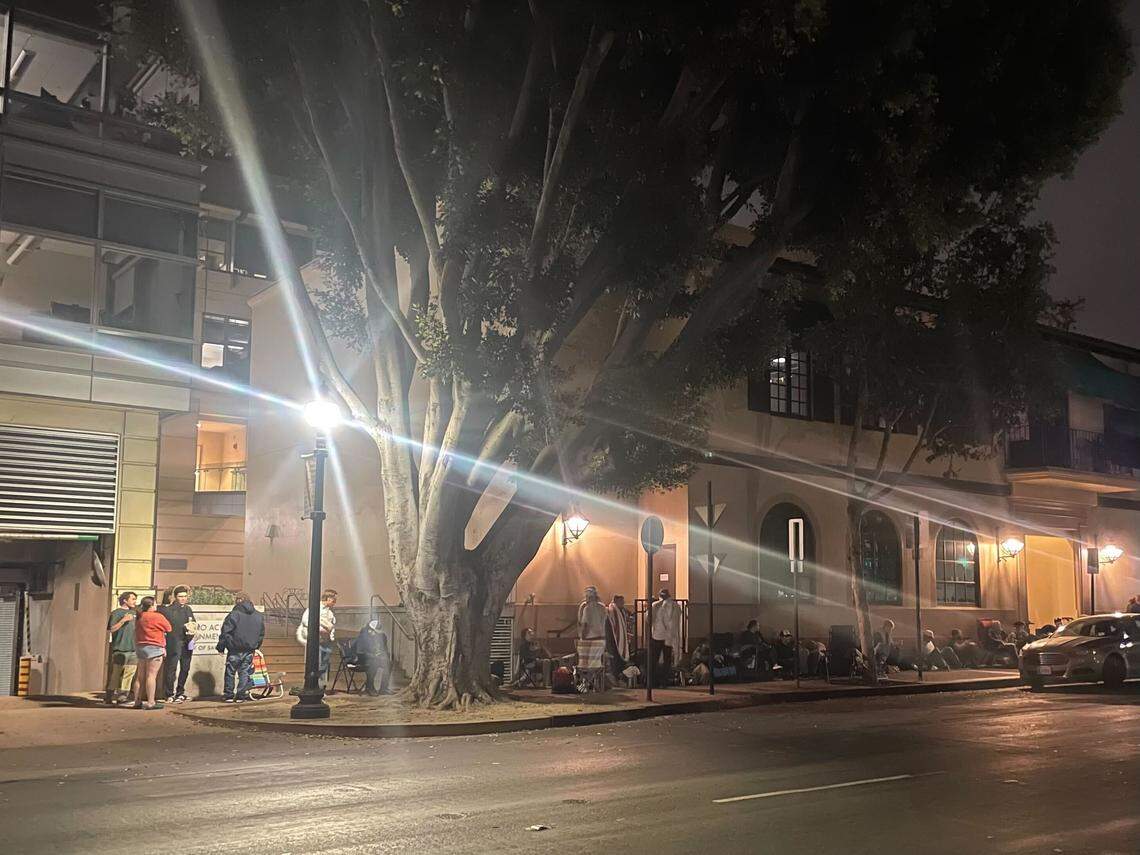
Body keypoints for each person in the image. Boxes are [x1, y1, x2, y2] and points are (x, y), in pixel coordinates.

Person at [216, 593, 265, 703]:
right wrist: (256, 646)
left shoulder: (234, 614)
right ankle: (241, 695)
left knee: (230, 672)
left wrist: (221, 647)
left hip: (235, 649)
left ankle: (229, 695)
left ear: (239, 600)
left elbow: (225, 632)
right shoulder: (258, 616)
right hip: (249, 649)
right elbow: (261, 634)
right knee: (244, 672)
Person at [131, 596, 171, 710]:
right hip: (155, 646)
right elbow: (168, 628)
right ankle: (151, 702)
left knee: (140, 676)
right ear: (151, 605)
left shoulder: (140, 616)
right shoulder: (158, 616)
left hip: (141, 646)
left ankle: (137, 701)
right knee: (151, 675)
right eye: (155, 603)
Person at [160, 585, 196, 703]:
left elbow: (193, 623)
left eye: (185, 596)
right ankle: (169, 693)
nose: (183, 598)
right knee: (171, 668)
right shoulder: (168, 610)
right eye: (180, 596)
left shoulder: (188, 609)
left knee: (185, 668)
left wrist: (192, 629)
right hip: (173, 642)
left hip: (187, 642)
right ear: (175, 597)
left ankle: (180, 692)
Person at [297, 589, 337, 689]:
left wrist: (331, 634)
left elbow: (332, 625)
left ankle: (321, 685)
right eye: (334, 600)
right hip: (316, 640)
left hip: (326, 640)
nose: (335, 602)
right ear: (328, 599)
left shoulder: (330, 612)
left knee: (325, 663)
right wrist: (319, 629)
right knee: (316, 663)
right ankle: (314, 684)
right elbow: (305, 621)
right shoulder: (314, 608)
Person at [104, 591, 138, 705]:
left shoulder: (135, 613)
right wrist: (123, 620)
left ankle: (122, 697)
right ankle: (109, 696)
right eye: (132, 599)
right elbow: (112, 629)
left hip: (133, 649)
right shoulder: (116, 613)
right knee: (116, 674)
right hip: (120, 649)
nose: (134, 601)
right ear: (125, 600)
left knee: (129, 675)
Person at [650, 588, 682, 687]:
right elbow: (676, 622)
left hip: (657, 635)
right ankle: (664, 682)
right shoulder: (675, 606)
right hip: (669, 637)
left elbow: (650, 619)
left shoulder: (655, 605)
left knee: (654, 659)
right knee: (667, 660)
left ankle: (653, 682)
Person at [352, 619, 391, 695]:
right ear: (370, 630)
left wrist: (383, 656)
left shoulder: (381, 636)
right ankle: (370, 687)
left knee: (388, 664)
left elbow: (384, 649)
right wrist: (373, 656)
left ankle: (384, 688)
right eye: (374, 632)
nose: (375, 634)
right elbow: (360, 652)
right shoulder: (363, 637)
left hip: (376, 658)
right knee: (373, 663)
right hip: (363, 659)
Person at [604, 595, 631, 681]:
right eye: (621, 602)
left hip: (619, 639)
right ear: (617, 602)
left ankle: (620, 676)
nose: (623, 603)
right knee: (614, 659)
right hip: (612, 639)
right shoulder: (611, 611)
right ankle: (615, 676)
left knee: (619, 660)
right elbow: (610, 627)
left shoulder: (621, 611)